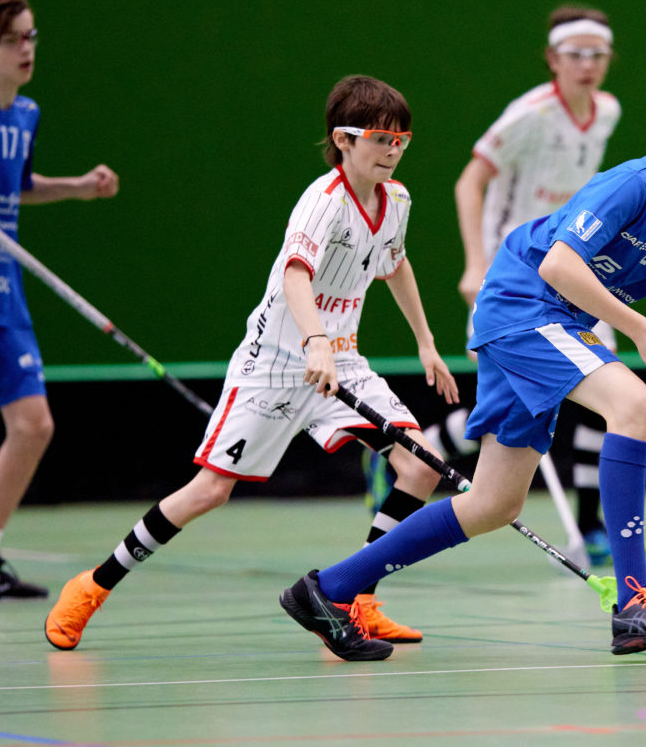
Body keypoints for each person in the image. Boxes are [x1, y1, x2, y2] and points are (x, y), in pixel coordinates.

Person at [281, 67, 646, 661]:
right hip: (523, 305)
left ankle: (328, 589)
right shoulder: (633, 186)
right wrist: (642, 329)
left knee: (495, 504)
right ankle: (633, 602)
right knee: (634, 402)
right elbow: (557, 266)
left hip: (557, 324)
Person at [44, 75, 459, 654]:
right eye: (380, 138)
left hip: (340, 362)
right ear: (343, 139)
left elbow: (396, 264)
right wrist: (314, 339)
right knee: (208, 491)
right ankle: (92, 585)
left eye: (402, 139)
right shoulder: (323, 202)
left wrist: (426, 342)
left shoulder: (399, 202)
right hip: (276, 366)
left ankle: (354, 598)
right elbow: (296, 274)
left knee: (422, 468)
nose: (393, 149)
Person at [383, 5, 619, 564]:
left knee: (606, 391)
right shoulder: (529, 115)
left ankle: (590, 527)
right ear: (552, 58)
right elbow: (471, 181)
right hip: (512, 277)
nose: (587, 66)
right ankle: (412, 454)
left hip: (571, 270)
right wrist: (476, 264)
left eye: (598, 54)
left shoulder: (606, 111)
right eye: (574, 54)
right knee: (508, 409)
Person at [0, 0, 120, 601]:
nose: (26, 49)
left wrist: (79, 187)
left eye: (31, 37)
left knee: (33, 425)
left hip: (2, 289)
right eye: (13, 40)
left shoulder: (24, 114)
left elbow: (18, 184)